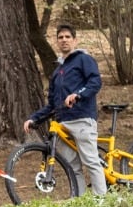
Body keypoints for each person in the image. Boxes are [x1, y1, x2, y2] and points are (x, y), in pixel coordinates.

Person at [23, 24, 107, 198]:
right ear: (56, 41)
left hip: (82, 118)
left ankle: (101, 200)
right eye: (60, 37)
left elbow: (95, 82)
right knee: (71, 165)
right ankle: (79, 200)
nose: (64, 40)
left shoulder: (84, 59)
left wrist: (78, 95)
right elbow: (52, 105)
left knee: (90, 161)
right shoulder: (57, 72)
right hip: (63, 123)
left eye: (68, 37)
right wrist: (34, 119)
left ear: (75, 40)